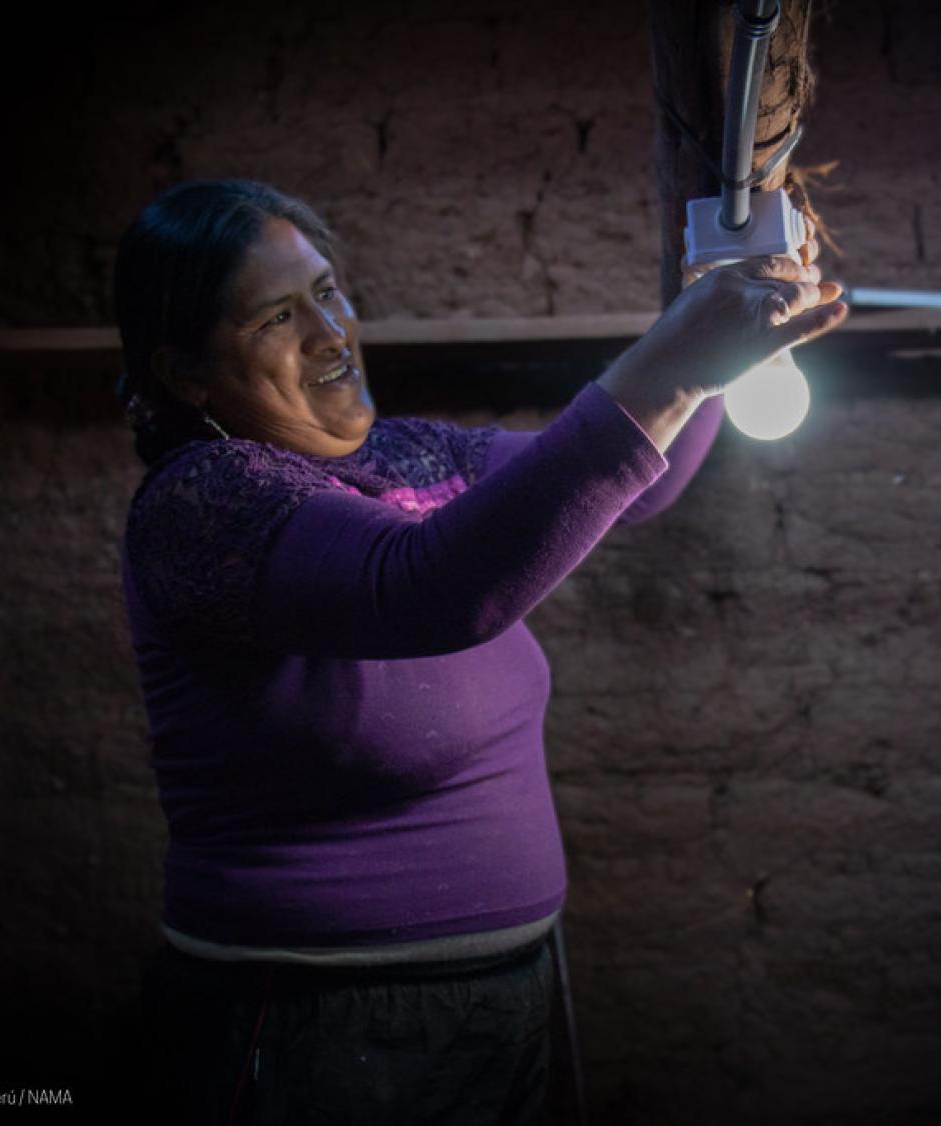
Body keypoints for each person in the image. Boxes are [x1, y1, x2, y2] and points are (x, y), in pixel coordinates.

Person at [115, 178, 846, 1124]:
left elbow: (629, 485)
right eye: (275, 320)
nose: (331, 333)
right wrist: (677, 360)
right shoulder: (202, 505)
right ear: (184, 371)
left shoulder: (411, 459)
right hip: (318, 1024)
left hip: (511, 986)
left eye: (330, 292)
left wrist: (719, 345)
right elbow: (432, 588)